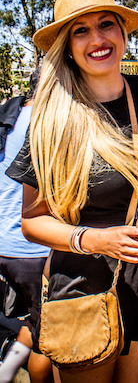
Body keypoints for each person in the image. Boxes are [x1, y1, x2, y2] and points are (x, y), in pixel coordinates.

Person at [6, 0, 138, 383]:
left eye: (106, 24)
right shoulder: (53, 117)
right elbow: (32, 220)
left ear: (123, 32)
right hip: (85, 287)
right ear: (66, 45)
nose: (97, 39)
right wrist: (97, 239)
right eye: (80, 30)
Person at [0, 70, 51, 383]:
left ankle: (9, 364)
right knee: (47, 337)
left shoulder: (9, 118)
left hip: (4, 243)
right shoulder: (50, 125)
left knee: (25, 325)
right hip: (34, 250)